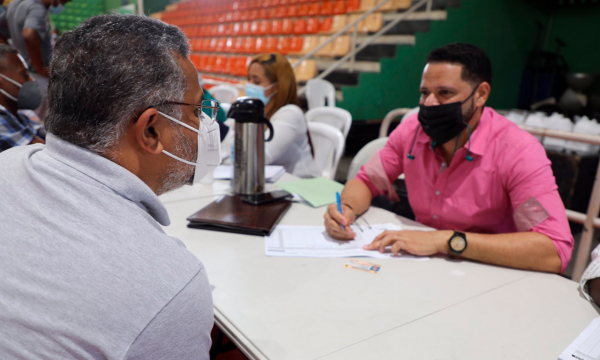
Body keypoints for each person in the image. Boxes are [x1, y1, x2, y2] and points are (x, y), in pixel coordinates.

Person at [0, 14, 217, 359]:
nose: (203, 122)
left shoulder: (8, 164)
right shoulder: (170, 286)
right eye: (195, 109)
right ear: (150, 130)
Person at [324, 43, 573, 274]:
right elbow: (367, 180)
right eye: (424, 92)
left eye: (444, 92)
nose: (429, 104)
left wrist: (445, 240)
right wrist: (345, 210)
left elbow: (553, 249)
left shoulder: (517, 151)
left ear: (481, 94)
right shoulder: (412, 131)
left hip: (491, 273)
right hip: (425, 266)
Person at [246, 53, 320, 178]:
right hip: (274, 185)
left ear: (276, 86)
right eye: (249, 79)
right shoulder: (256, 110)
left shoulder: (290, 114)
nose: (249, 85)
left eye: (256, 81)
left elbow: (260, 157)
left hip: (302, 187)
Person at [0, 0, 71, 119]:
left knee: (31, 116)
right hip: (39, 76)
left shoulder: (15, 3)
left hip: (23, 73)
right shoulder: (37, 7)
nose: (62, 5)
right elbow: (29, 34)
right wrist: (40, 69)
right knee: (44, 119)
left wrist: (12, 55)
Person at [0, 44, 45, 152]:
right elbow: (48, 154)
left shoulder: (19, 116)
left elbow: (42, 129)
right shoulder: (1, 121)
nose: (31, 80)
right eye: (24, 75)